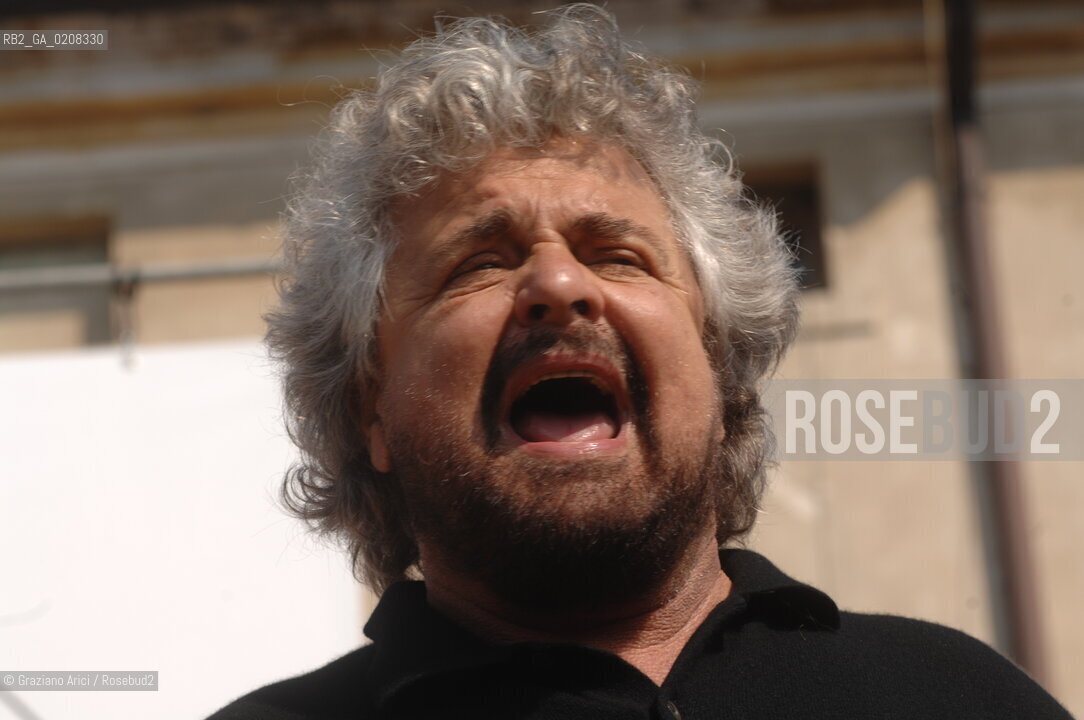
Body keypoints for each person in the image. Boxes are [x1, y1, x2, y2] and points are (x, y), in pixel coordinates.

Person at [210, 5, 1071, 718]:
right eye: (479, 262)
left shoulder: (953, 697)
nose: (556, 284)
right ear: (371, 407)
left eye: (618, 255)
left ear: (718, 368)